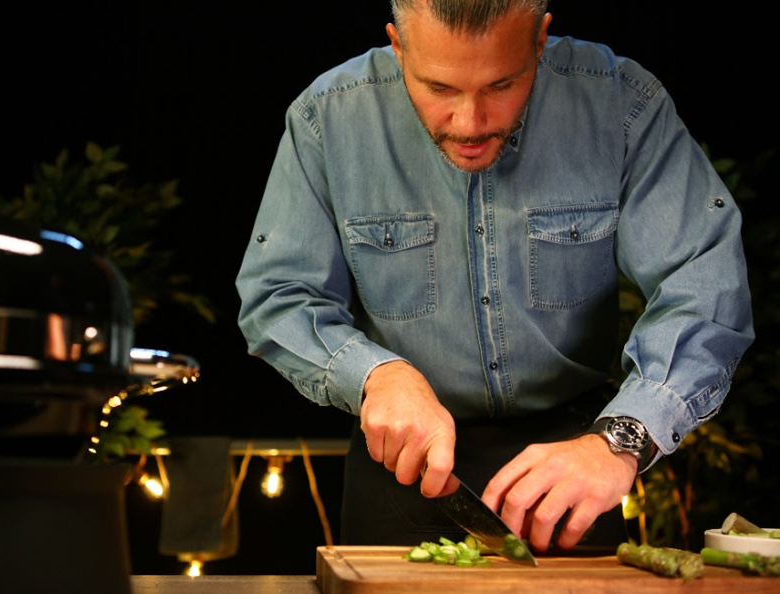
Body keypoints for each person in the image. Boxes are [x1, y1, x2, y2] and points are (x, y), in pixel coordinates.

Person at [235, 0, 754, 553]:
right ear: (398, 45)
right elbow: (280, 295)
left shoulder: (623, 103)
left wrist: (620, 441)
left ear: (539, 41)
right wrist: (375, 376)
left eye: (502, 84)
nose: (470, 123)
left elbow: (704, 286)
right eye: (438, 88)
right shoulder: (326, 116)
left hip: (579, 465)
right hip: (400, 469)